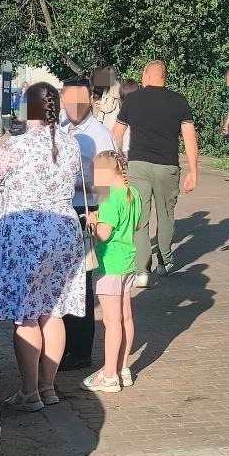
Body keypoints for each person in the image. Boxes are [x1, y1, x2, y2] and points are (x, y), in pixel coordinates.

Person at [0, 82, 85, 411]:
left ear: (28, 109)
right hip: (64, 232)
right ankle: (48, 387)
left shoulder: (18, 145)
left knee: (26, 316)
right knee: (53, 312)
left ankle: (29, 392)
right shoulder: (71, 144)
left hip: (27, 235)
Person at [111, 61, 197, 287]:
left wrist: (120, 160)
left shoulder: (132, 100)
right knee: (165, 214)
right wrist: (193, 171)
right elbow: (189, 138)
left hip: (138, 164)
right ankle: (164, 261)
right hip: (167, 166)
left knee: (140, 216)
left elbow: (116, 133)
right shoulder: (179, 101)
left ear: (146, 75)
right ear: (164, 77)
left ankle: (141, 271)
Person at [59, 76, 117, 371]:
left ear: (91, 100)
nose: (73, 106)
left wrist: (79, 189)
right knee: (65, 281)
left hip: (87, 210)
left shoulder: (99, 134)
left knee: (80, 283)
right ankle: (64, 344)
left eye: (79, 100)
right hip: (64, 211)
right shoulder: (61, 128)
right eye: (68, 99)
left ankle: (80, 352)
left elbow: (109, 185)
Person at [82, 150, 142, 394]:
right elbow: (137, 224)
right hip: (128, 262)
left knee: (111, 321)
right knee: (126, 317)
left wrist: (93, 220)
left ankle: (108, 375)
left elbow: (104, 234)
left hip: (110, 266)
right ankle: (123, 368)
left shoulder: (109, 199)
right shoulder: (133, 193)